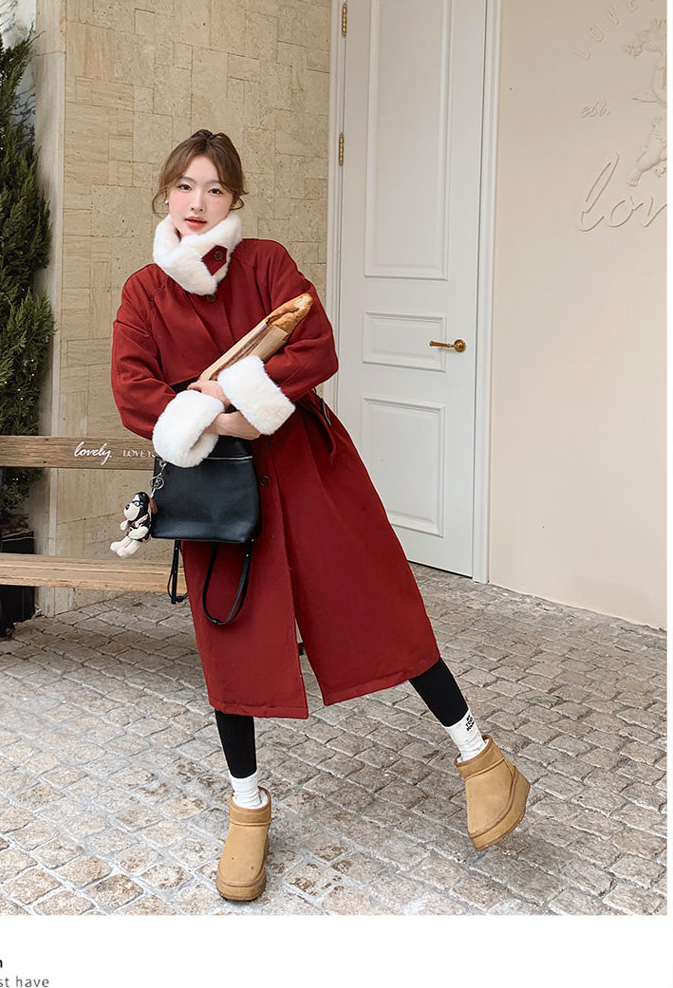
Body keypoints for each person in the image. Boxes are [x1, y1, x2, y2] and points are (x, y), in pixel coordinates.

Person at [111, 129, 529, 903]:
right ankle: (247, 807)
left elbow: (317, 348)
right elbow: (133, 389)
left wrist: (238, 402)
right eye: (185, 186)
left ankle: (482, 757)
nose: (198, 202)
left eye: (214, 189)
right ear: (165, 192)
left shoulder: (267, 264)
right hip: (217, 487)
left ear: (234, 198)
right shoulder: (143, 292)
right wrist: (214, 421)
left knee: (376, 604)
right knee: (231, 637)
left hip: (308, 468)